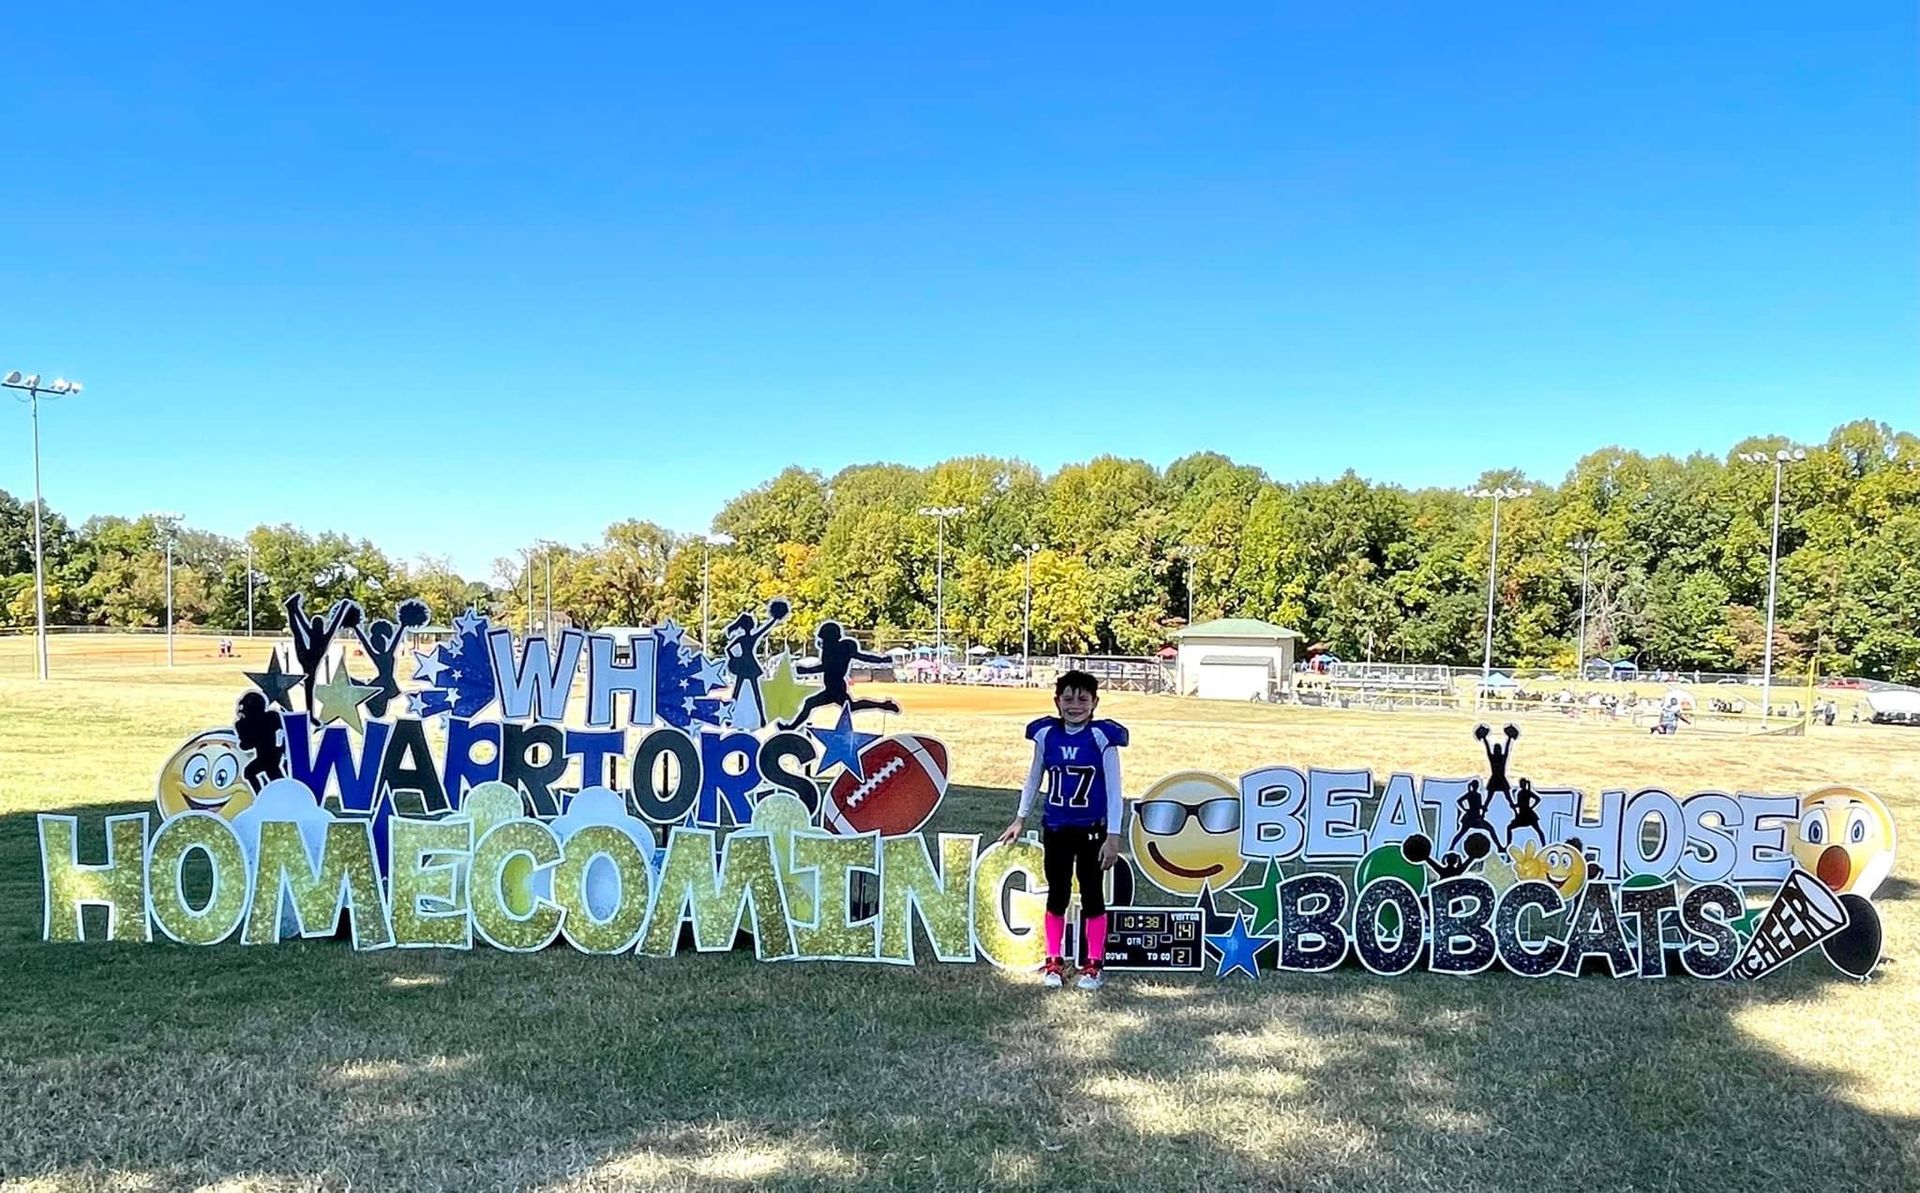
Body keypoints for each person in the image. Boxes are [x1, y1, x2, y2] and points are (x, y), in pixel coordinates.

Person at [996, 670, 1129, 991]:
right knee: (1057, 892)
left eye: (1082, 699)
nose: (1074, 705)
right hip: (1055, 826)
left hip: (1091, 830)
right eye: (1068, 698)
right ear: (1057, 701)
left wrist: (1113, 835)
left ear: (1095, 702)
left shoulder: (1101, 738)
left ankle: (1093, 963)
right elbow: (1033, 779)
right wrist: (1020, 817)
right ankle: (1053, 959)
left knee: (1093, 893)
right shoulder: (1046, 736)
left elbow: (1115, 790)